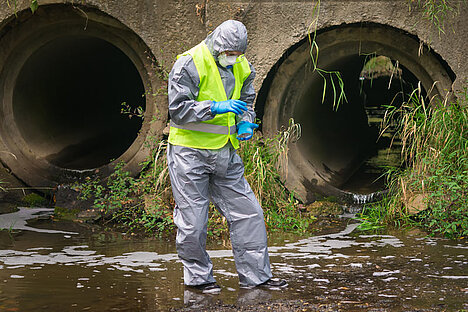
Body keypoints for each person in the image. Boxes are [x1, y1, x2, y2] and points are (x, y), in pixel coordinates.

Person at [167, 20, 287, 293]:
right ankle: (198, 280)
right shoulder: (189, 63)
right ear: (215, 43)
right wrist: (215, 107)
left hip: (225, 153)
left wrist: (245, 121)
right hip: (189, 153)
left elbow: (247, 102)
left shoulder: (242, 66)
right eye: (227, 52)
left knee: (249, 214)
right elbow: (178, 110)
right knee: (193, 221)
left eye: (236, 53)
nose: (231, 57)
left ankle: (257, 277)